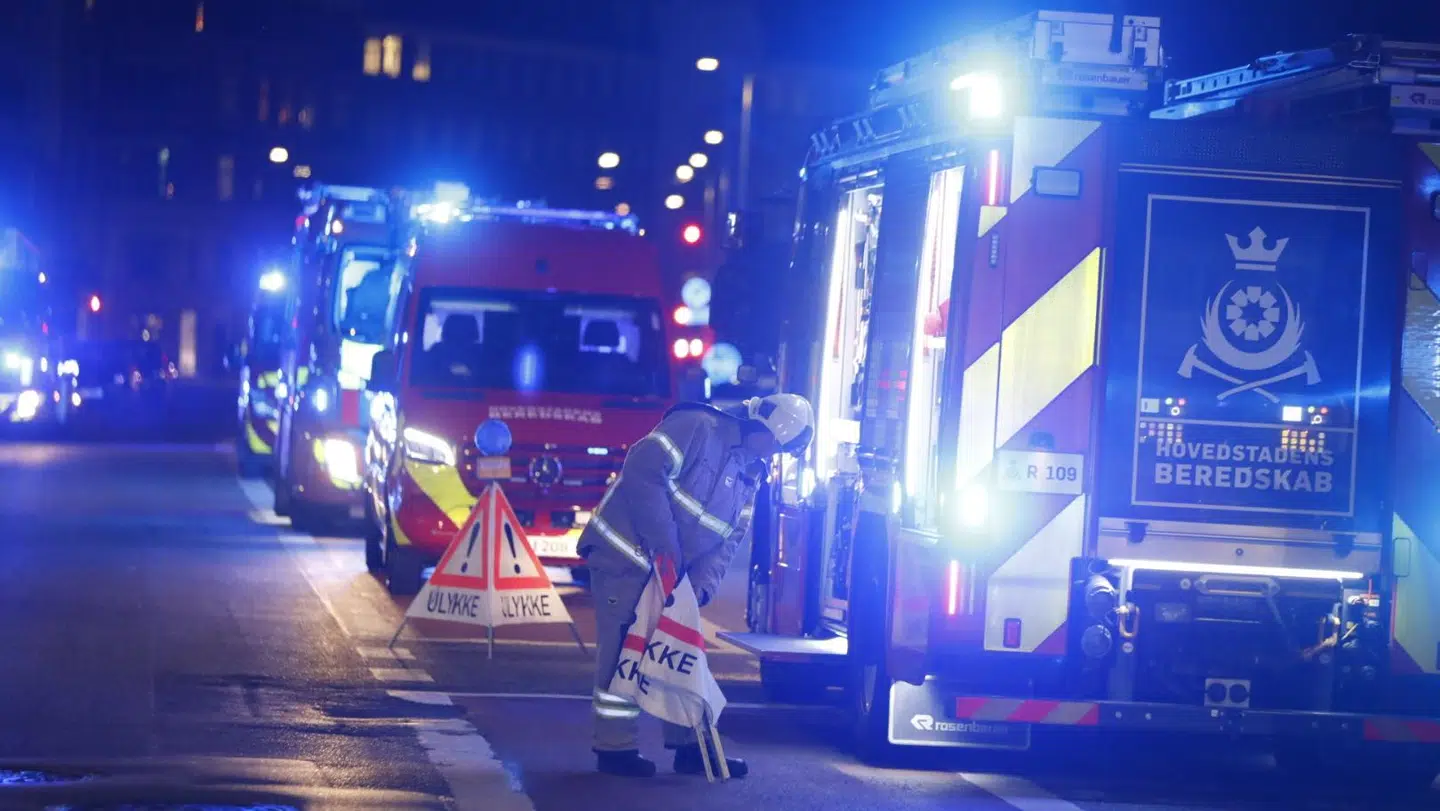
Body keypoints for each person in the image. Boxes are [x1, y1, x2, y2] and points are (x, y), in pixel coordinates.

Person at [578, 392, 815, 779]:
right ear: (761, 429)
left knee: (679, 653)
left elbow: (729, 539)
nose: (773, 455)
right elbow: (642, 470)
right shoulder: (698, 427)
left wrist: (701, 586)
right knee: (622, 653)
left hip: (672, 577)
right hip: (623, 560)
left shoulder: (751, 473)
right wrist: (666, 548)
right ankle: (614, 748)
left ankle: (691, 748)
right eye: (775, 446)